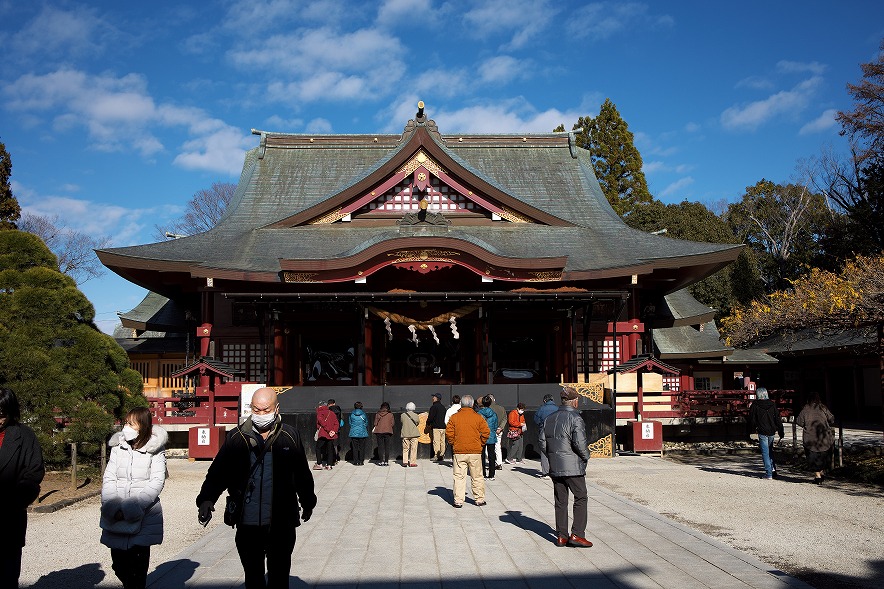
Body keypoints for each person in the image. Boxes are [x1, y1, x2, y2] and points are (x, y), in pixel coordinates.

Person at [196, 387, 316, 589]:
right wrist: (206, 499)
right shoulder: (236, 438)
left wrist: (308, 501)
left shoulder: (289, 436)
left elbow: (302, 473)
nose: (260, 415)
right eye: (256, 410)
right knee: (253, 577)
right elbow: (218, 472)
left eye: (265, 410)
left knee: (279, 577)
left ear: (276, 408)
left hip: (281, 522)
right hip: (247, 522)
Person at [100, 407, 168, 589]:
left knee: (138, 569)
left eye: (131, 423)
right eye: (126, 422)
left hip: (144, 515)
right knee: (119, 565)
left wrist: (136, 506)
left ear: (142, 426)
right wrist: (111, 504)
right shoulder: (118, 447)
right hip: (116, 513)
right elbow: (109, 477)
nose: (126, 427)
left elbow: (157, 481)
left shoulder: (156, 450)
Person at [0, 388, 45, 589]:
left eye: (1, 415)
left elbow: (33, 472)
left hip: (8, 516)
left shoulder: (24, 435)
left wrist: (15, 500)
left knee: (7, 575)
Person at [539, 387, 592, 548]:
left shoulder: (549, 418)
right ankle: (577, 534)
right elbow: (580, 443)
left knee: (560, 500)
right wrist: (586, 456)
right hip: (572, 465)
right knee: (581, 496)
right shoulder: (575, 418)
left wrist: (552, 455)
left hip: (555, 464)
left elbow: (542, 442)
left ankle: (561, 536)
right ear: (575, 401)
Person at [445, 395, 490, 508]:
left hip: (459, 451)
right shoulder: (478, 417)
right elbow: (486, 432)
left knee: (459, 476)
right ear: (471, 404)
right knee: (477, 476)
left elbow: (449, 433)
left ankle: (458, 500)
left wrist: (453, 443)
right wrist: (480, 444)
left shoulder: (454, 417)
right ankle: (479, 499)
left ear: (461, 404)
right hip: (475, 451)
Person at [796, 392, 836, 484]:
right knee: (823, 456)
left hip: (810, 438)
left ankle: (818, 476)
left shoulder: (805, 409)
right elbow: (832, 419)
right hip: (824, 437)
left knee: (813, 457)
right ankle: (820, 473)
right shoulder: (823, 407)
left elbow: (799, 422)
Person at [747, 387, 784, 479]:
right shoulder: (772, 404)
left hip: (762, 430)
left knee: (765, 452)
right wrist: (781, 430)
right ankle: (773, 469)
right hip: (772, 430)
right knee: (770, 450)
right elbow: (777, 419)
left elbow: (752, 419)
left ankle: (768, 473)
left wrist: (751, 430)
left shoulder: (755, 405)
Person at [534, 394, 558, 477]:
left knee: (544, 452)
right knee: (555, 451)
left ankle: (545, 472)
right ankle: (554, 470)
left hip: (544, 432)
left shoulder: (542, 409)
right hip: (556, 433)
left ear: (544, 400)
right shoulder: (557, 409)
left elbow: (536, 420)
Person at [476, 395, 499, 481]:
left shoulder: (478, 414)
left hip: (481, 436)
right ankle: (491, 474)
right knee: (491, 456)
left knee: (481, 456)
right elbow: (495, 426)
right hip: (491, 436)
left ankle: (482, 473)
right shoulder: (493, 414)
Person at [315, 400, 339, 470]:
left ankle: (319, 463)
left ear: (320, 406)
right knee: (330, 449)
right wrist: (333, 431)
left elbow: (321, 422)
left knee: (318, 448)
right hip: (331, 435)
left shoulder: (320, 413)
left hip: (323, 433)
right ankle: (329, 465)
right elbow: (336, 423)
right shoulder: (332, 413)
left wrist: (328, 430)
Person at [427, 393, 447, 461]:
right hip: (443, 427)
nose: (432, 398)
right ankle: (442, 454)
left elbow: (431, 417)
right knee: (442, 442)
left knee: (436, 441)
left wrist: (428, 423)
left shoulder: (434, 407)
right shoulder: (443, 407)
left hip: (436, 427)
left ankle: (436, 455)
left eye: (434, 397)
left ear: (436, 398)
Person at [373, 401, 394, 466]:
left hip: (379, 432)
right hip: (387, 432)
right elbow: (392, 424)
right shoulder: (390, 414)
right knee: (387, 447)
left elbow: (375, 423)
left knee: (380, 447)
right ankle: (386, 461)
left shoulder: (378, 414)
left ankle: (381, 461)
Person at [400, 402, 421, 467]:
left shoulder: (403, 415)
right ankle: (412, 462)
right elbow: (417, 423)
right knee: (413, 448)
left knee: (405, 448)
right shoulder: (416, 415)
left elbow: (402, 422)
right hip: (414, 434)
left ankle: (405, 462)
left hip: (405, 434)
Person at [489, 394, 506, 467]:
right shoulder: (501, 408)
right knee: (497, 446)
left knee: (488, 447)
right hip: (499, 430)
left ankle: (491, 461)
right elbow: (505, 418)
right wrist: (500, 428)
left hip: (490, 431)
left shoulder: (487, 409)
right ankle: (499, 462)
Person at [327, 399, 343, 466]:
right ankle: (336, 458)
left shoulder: (328, 411)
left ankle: (331, 460)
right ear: (334, 403)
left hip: (329, 429)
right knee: (335, 444)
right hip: (336, 429)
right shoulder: (339, 410)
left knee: (330, 444)